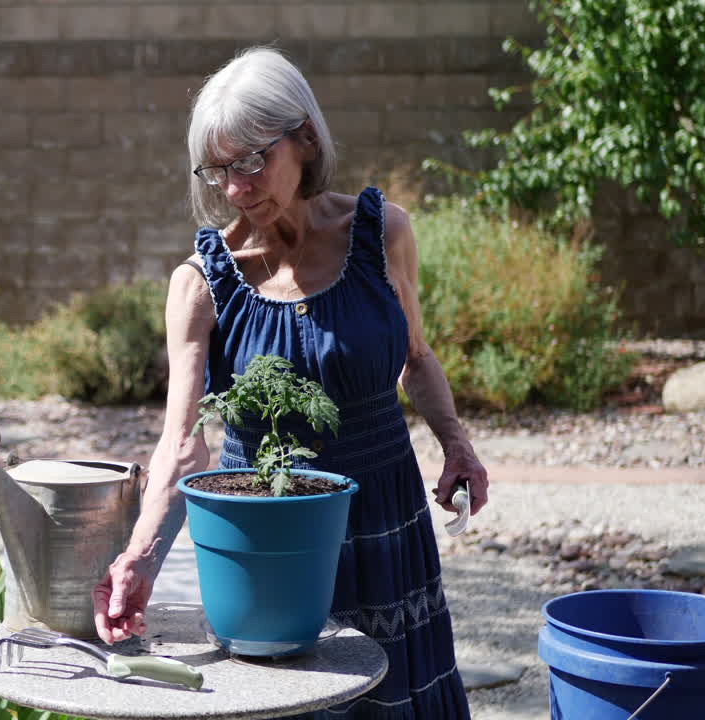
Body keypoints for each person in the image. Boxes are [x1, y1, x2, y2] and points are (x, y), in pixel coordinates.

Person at [92, 46, 490, 718]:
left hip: (384, 515)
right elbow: (181, 443)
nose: (237, 186)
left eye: (252, 160)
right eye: (218, 170)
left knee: (397, 697)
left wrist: (457, 443)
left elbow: (415, 358)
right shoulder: (201, 284)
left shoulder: (383, 233)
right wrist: (138, 557)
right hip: (266, 532)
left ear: (305, 138)